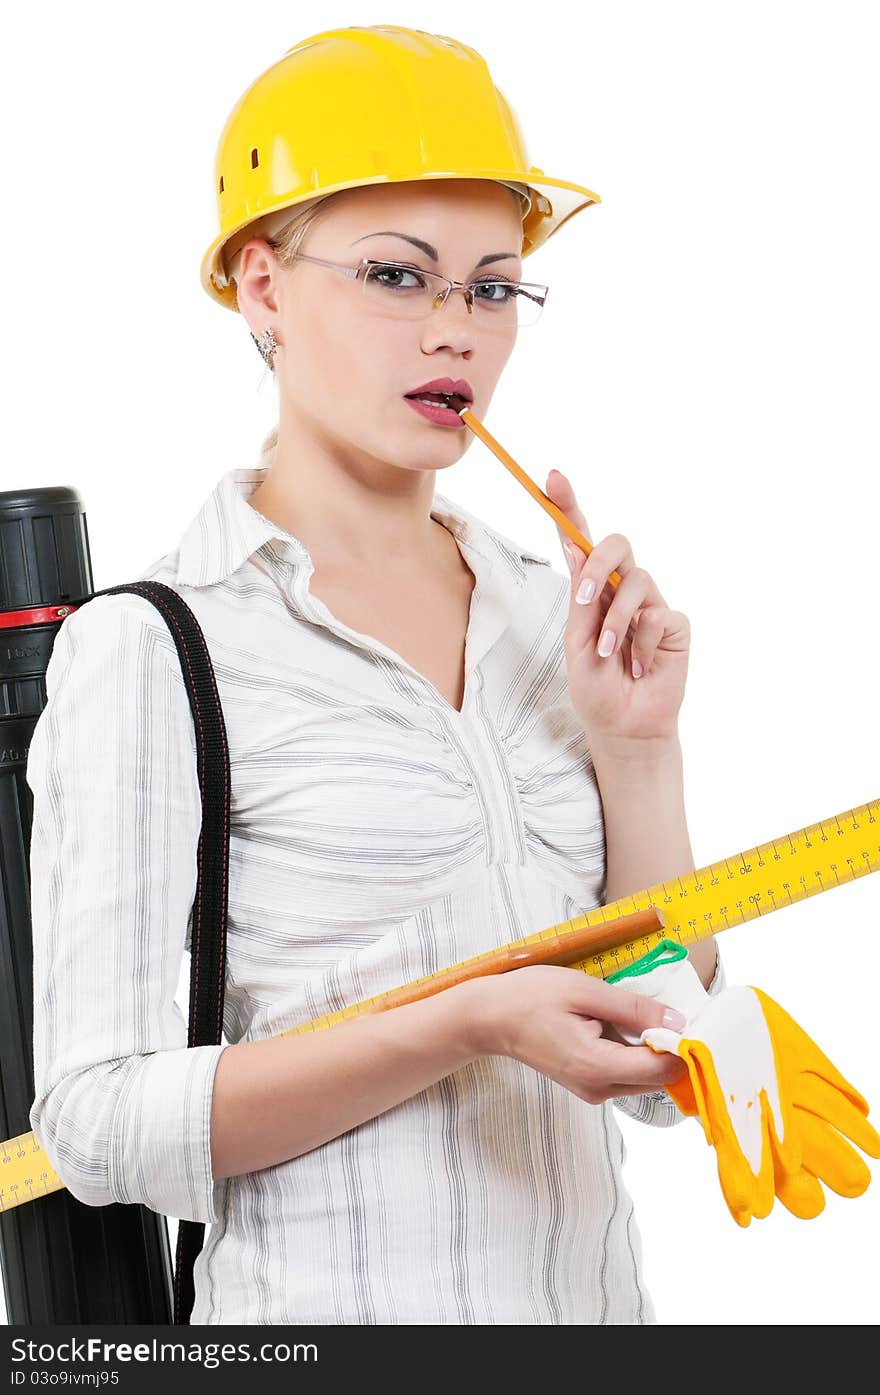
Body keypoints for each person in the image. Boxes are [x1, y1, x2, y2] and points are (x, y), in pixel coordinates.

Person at [27, 26, 723, 1325]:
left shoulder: (543, 614)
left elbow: (663, 1056)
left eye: (493, 287)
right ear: (261, 287)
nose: (456, 332)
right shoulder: (159, 648)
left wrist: (639, 752)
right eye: (398, 276)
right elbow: (97, 1124)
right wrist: (465, 1022)